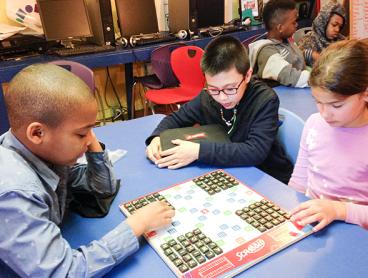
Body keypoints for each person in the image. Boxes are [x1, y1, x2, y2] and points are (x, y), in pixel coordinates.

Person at [0, 64, 175, 277]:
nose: (90, 140)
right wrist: (137, 225)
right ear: (37, 133)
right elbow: (64, 273)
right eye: (82, 134)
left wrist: (88, 140)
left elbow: (102, 187)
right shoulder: (15, 193)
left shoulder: (43, 152)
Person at [289, 40, 368, 244]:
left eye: (336, 105)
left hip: (363, 239)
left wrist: (338, 210)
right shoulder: (314, 124)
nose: (324, 114)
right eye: (318, 102)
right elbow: (298, 182)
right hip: (317, 230)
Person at [146, 36, 293, 184]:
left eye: (230, 89)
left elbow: (255, 151)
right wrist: (157, 138)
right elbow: (175, 119)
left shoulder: (265, 100)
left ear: (247, 75)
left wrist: (197, 152)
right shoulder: (207, 98)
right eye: (214, 89)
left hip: (267, 177)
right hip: (229, 173)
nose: (222, 98)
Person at [248, 0, 309, 88]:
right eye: (293, 22)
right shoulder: (266, 52)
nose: (296, 25)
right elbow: (290, 76)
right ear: (280, 28)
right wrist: (319, 79)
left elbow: (298, 58)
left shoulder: (286, 41)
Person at [298, 0, 346, 66]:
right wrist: (311, 54)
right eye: (334, 25)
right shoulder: (309, 40)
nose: (337, 29)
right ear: (323, 22)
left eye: (340, 27)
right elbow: (298, 59)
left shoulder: (342, 41)